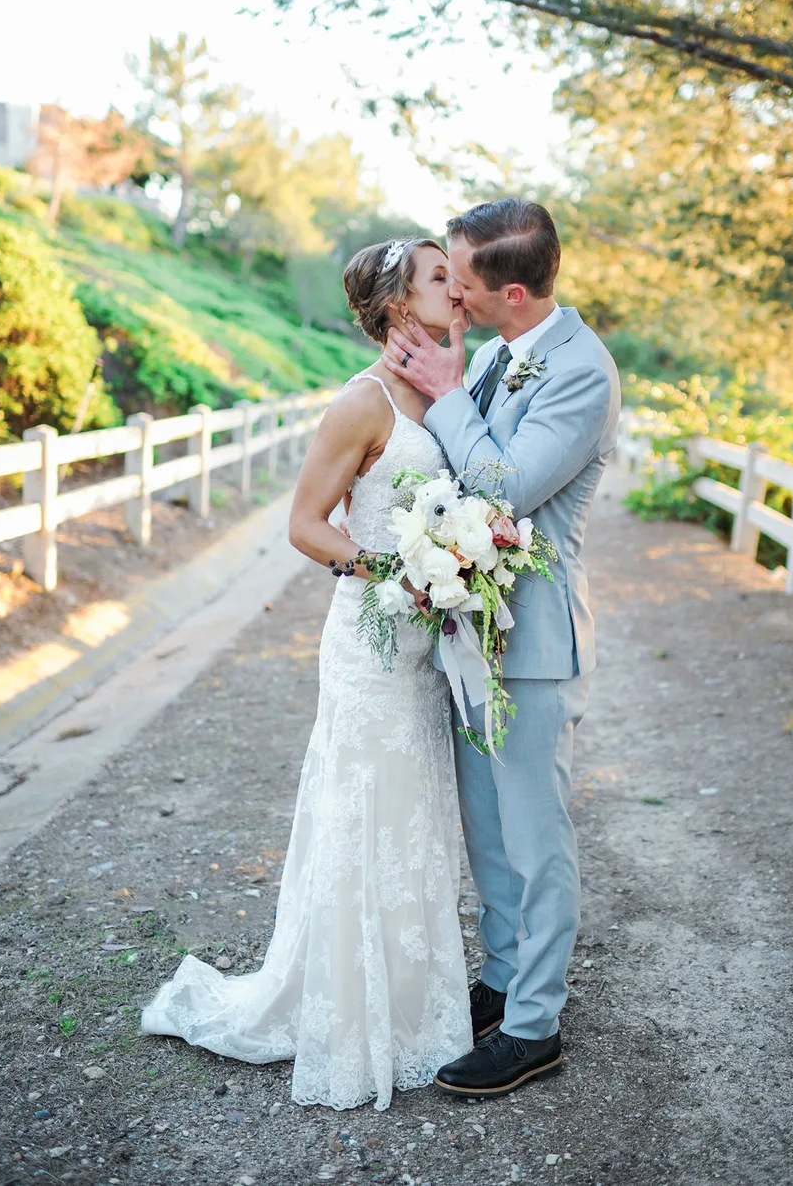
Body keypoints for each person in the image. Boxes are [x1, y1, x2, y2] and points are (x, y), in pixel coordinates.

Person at [140, 238, 474, 1112]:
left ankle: (412, 1008)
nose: (458, 286)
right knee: (364, 812)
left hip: (418, 647)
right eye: (441, 276)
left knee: (412, 816)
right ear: (401, 305)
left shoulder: (437, 393)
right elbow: (303, 523)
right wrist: (389, 569)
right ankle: (348, 1012)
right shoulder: (361, 402)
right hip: (368, 641)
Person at [382, 198, 620, 1098]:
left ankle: (535, 1025)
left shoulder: (581, 371)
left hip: (533, 641)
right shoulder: (489, 353)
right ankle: (503, 974)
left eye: (464, 277)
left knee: (535, 834)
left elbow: (507, 486)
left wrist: (445, 400)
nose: (456, 292)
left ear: (512, 290)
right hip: (469, 624)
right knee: (488, 829)